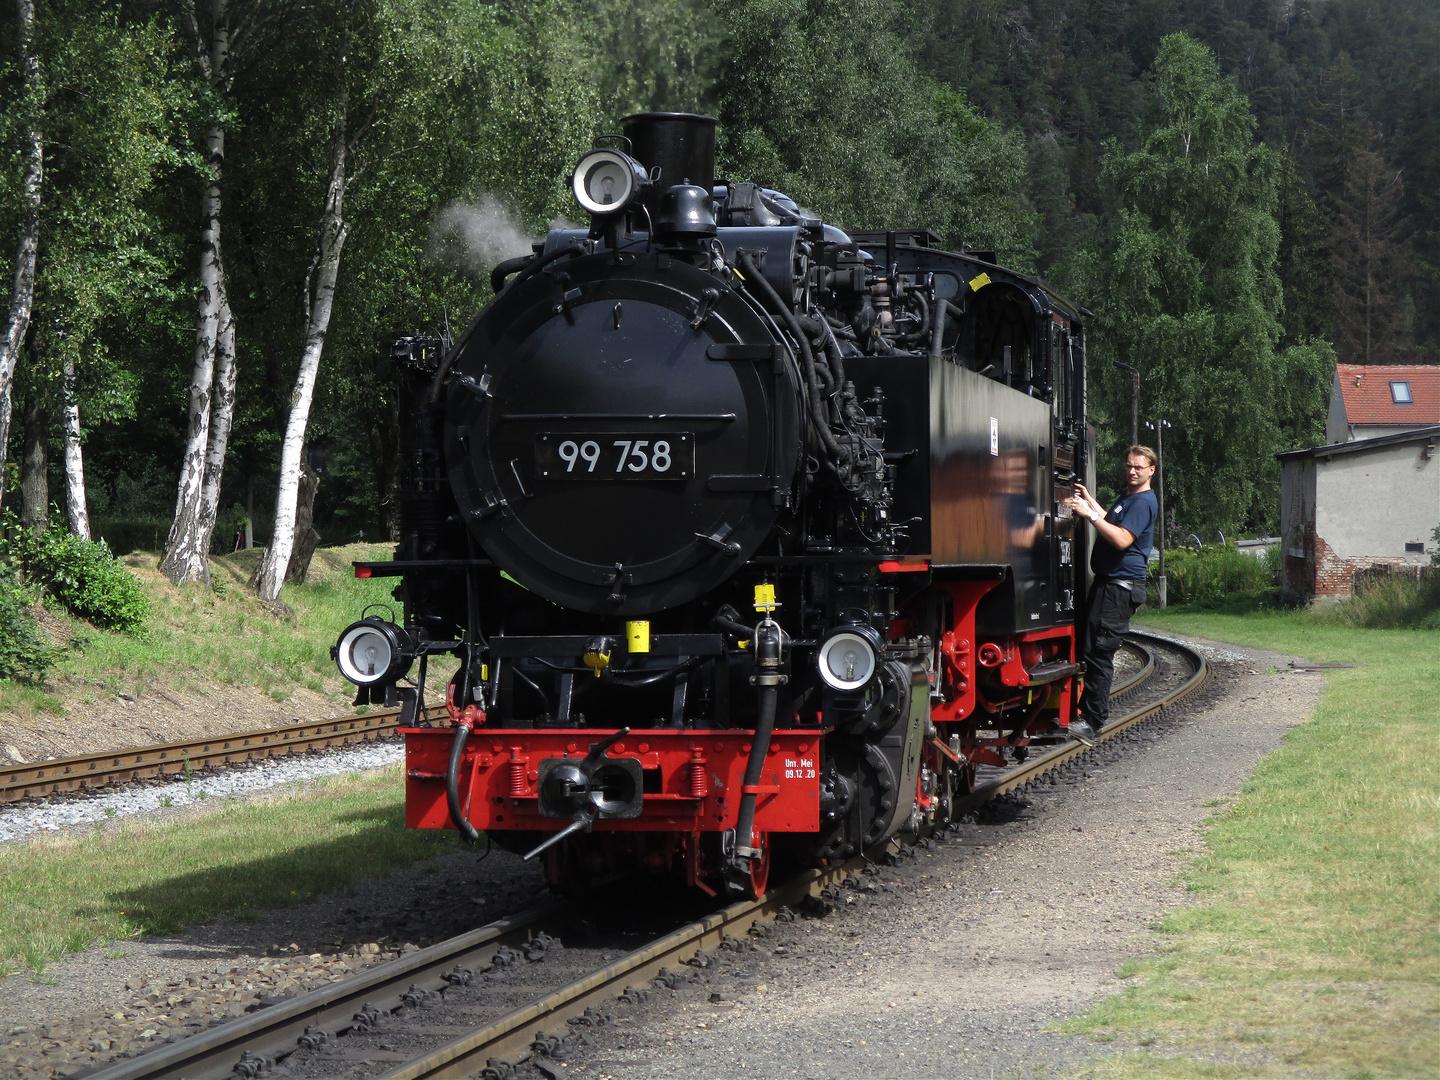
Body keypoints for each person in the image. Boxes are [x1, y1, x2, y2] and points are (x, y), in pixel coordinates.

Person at [1065, 445, 1158, 746]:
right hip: (1110, 585)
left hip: (1120, 587)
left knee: (1099, 653)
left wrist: (1089, 517)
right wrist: (1091, 501)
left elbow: (1120, 538)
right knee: (1091, 648)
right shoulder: (1130, 498)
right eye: (1129, 465)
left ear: (1151, 470)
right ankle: (1087, 717)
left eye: (1138, 467)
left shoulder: (1143, 502)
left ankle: (1092, 724)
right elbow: (1112, 519)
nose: (1132, 471)